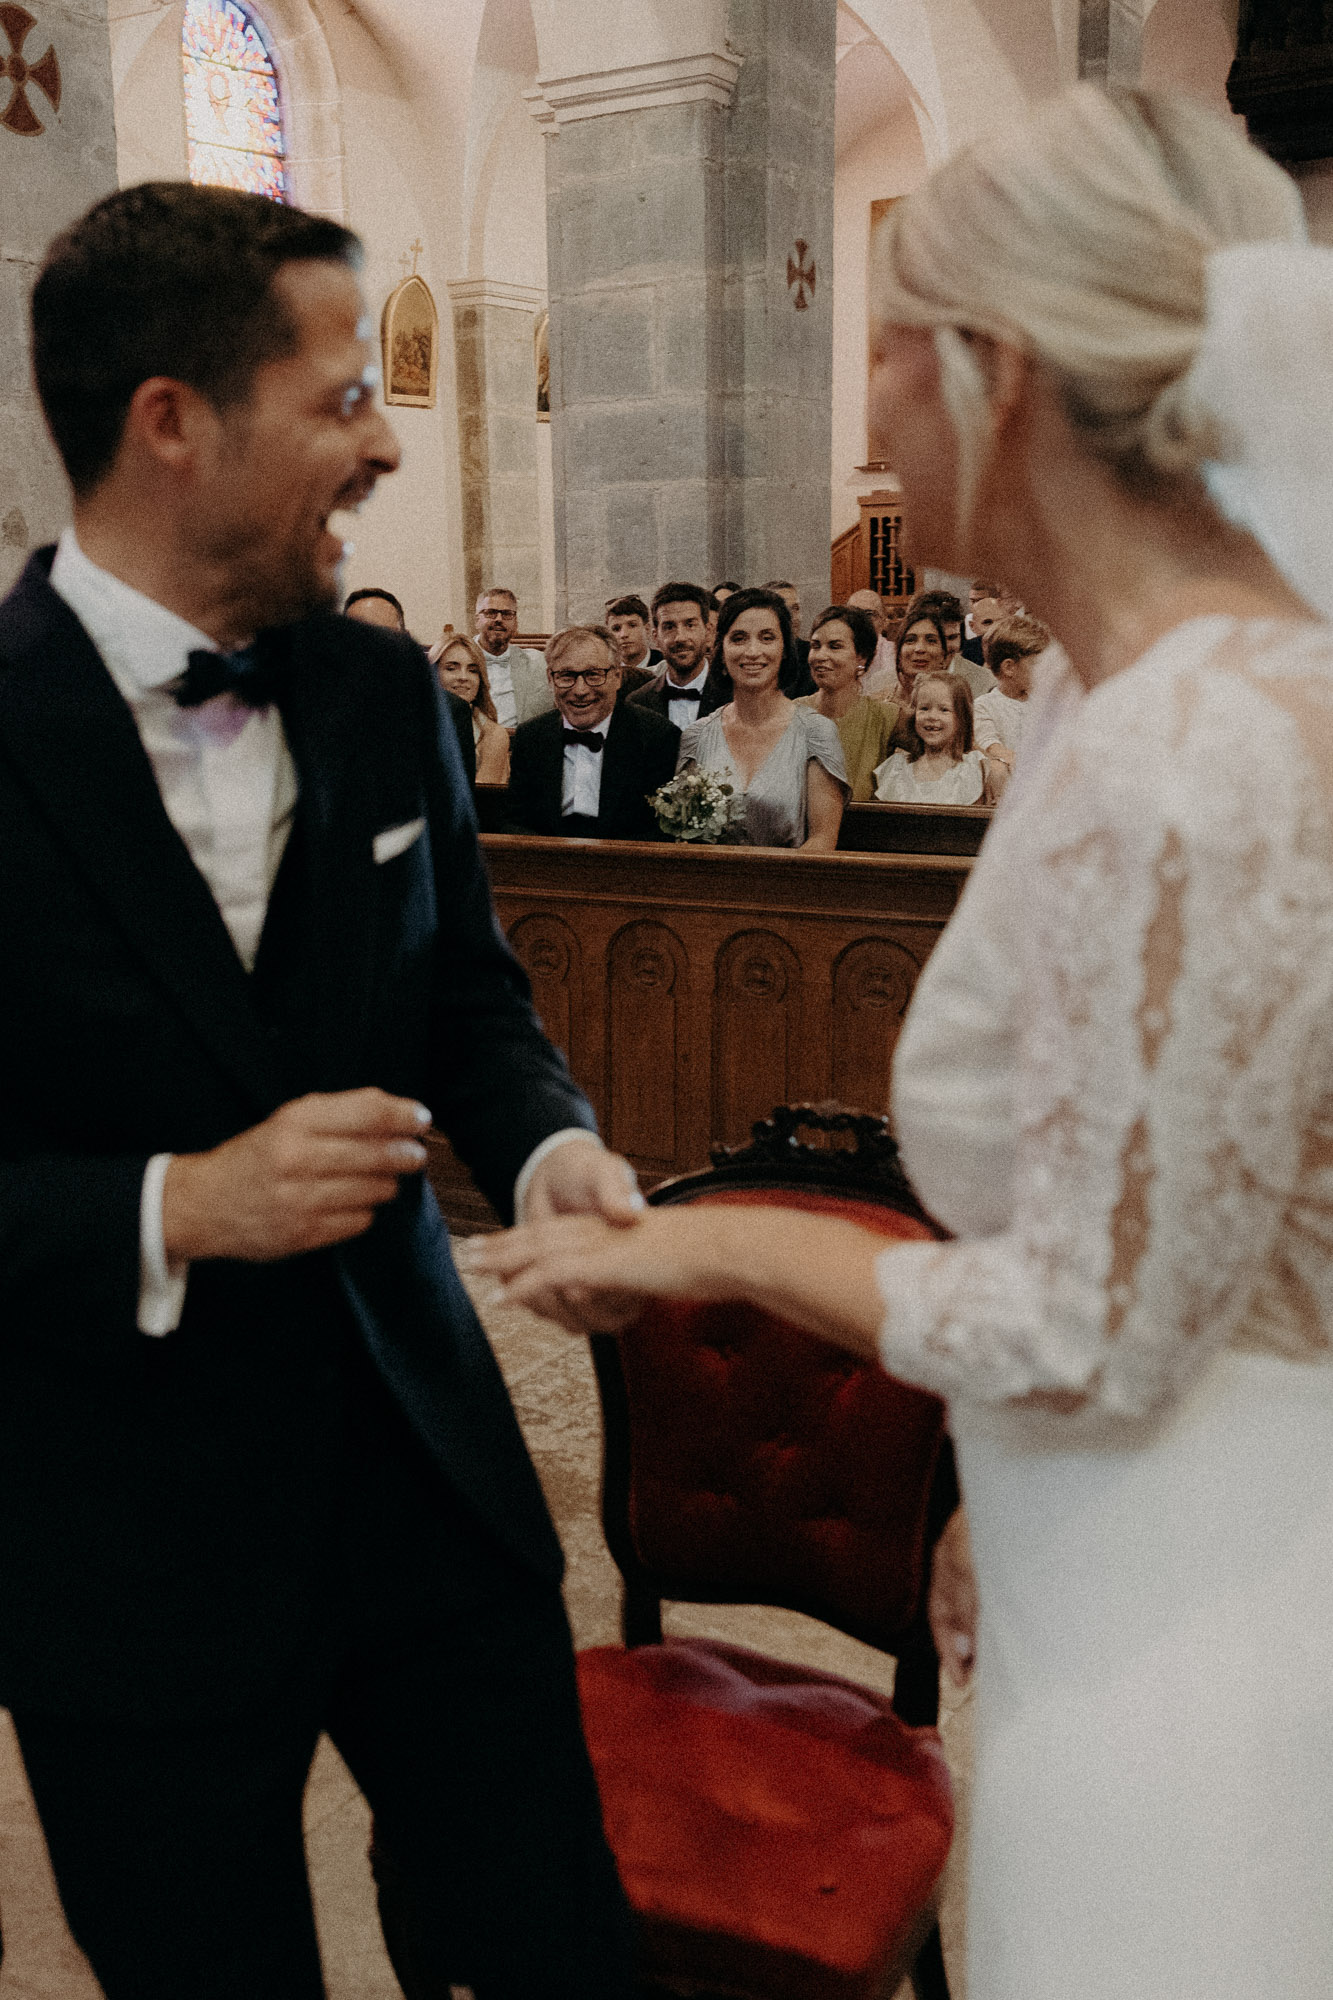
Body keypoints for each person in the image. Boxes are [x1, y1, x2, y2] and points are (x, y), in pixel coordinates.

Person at [475, 84, 1333, 2000]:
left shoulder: (1197, 747)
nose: (857, 411)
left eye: (878, 343)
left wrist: (702, 1237)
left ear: (991, 370)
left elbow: (1087, 1329)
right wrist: (1007, 1497)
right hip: (1109, 1528)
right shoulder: (1138, 695)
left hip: (1207, 1606)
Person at [0, 179, 641, 2000]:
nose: (382, 450)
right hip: (123, 1536)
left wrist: (551, 1153)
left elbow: (468, 1005)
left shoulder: (380, 696)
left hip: (427, 1470)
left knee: (548, 1950)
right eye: (345, 398)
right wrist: (173, 1204)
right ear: (173, 422)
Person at [678, 587, 847, 849]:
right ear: (720, 649)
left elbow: (822, 840)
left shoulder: (816, 733)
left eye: (767, 638)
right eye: (739, 638)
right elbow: (685, 837)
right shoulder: (696, 737)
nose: (752, 651)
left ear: (786, 650)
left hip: (792, 882)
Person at [505, 624, 679, 840]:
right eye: (567, 676)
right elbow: (516, 820)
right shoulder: (531, 736)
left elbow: (660, 830)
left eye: (593, 675)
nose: (580, 690)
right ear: (550, 679)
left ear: (617, 677)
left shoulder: (656, 736)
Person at [795, 603, 899, 800]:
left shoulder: (885, 716)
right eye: (815, 646)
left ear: (862, 657)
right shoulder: (792, 713)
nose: (820, 656)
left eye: (835, 646)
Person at [873, 671, 987, 804]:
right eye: (924, 708)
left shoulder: (973, 768)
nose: (932, 716)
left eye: (944, 710)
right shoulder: (896, 768)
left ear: (962, 717)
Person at [972, 612, 1050, 799]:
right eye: (1039, 665)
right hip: (1010, 783)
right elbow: (990, 744)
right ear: (1009, 667)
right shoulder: (985, 705)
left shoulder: (1044, 703)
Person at [629, 582, 716, 727]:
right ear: (655, 637)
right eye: (669, 627)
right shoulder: (637, 703)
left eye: (690, 625)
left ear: (708, 631)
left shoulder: (735, 694)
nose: (680, 637)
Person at [435, 633, 510, 785]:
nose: (463, 677)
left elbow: (479, 798)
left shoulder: (494, 735)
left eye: (473, 670)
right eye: (451, 668)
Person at [473, 585, 552, 731]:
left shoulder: (538, 662)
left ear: (515, 623)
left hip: (519, 746)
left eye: (507, 614)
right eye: (490, 613)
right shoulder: (459, 661)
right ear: (477, 619)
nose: (498, 619)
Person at [892, 603, 951, 708]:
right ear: (899, 654)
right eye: (910, 640)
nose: (920, 649)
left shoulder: (955, 703)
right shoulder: (879, 704)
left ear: (943, 655)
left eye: (931, 641)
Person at [762, 578, 815, 692]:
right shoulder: (755, 658)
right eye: (785, 609)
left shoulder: (812, 656)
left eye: (796, 608)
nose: (793, 617)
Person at [603, 593, 661, 694]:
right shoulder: (604, 671)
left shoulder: (665, 665)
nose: (623, 634)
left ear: (647, 629)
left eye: (632, 625)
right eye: (616, 629)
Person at [847, 585, 898, 695]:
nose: (861, 621)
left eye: (869, 614)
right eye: (854, 614)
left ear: (884, 621)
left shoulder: (895, 653)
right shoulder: (836, 651)